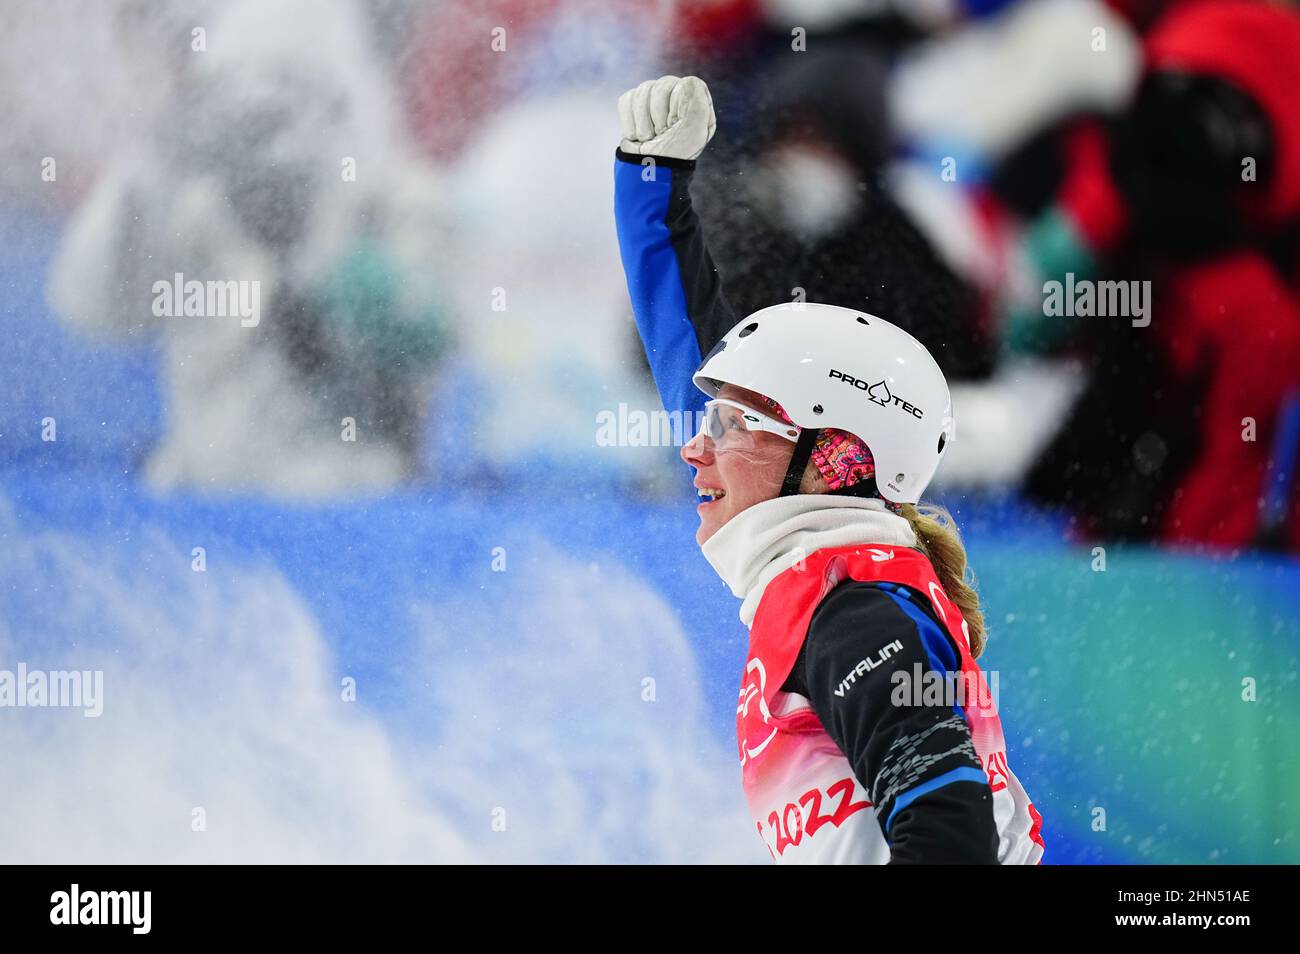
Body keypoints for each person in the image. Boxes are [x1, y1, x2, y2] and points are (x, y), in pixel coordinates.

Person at [614, 75, 1044, 863]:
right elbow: (686, 349)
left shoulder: (851, 613)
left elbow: (952, 840)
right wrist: (648, 180)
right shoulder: (821, 567)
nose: (695, 446)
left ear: (838, 461)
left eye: (737, 424)